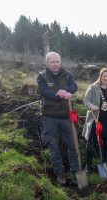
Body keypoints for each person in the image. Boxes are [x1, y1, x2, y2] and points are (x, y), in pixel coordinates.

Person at [37, 52, 79, 185]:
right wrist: (58, 94)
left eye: (57, 62)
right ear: (47, 63)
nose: (55, 64)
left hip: (66, 116)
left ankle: (76, 170)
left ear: (60, 62)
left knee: (73, 145)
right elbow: (44, 91)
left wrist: (68, 92)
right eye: (52, 62)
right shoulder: (42, 76)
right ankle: (59, 172)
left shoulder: (68, 74)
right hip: (49, 117)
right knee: (53, 147)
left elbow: (74, 86)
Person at [82, 68, 107, 174]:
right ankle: (88, 165)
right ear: (100, 76)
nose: (106, 78)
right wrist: (91, 105)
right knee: (91, 143)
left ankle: (106, 161)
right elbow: (85, 100)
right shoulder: (93, 87)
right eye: (104, 76)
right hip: (95, 121)